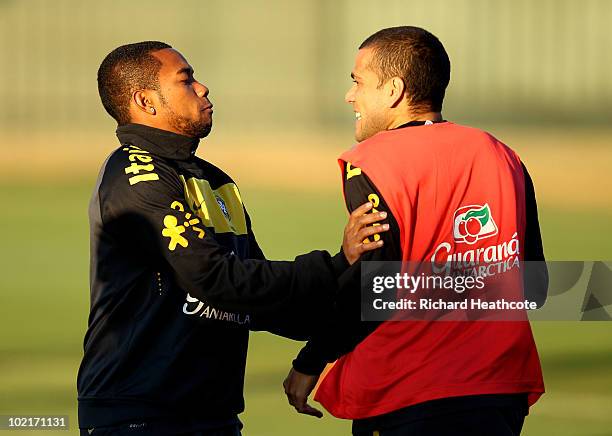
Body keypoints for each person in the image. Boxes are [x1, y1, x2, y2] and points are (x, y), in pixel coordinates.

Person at [77, 41, 389, 436]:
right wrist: (337, 263)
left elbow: (256, 298)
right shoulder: (135, 175)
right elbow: (213, 279)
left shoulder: (215, 180)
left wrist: (342, 332)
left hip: (212, 413)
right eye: (186, 80)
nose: (203, 88)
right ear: (146, 101)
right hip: (139, 411)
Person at [283, 26, 547, 436]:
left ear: (393, 90)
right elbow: (535, 287)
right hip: (498, 392)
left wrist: (310, 361)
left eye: (357, 82)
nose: (350, 96)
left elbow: (376, 289)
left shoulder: (371, 162)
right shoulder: (502, 155)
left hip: (407, 391)